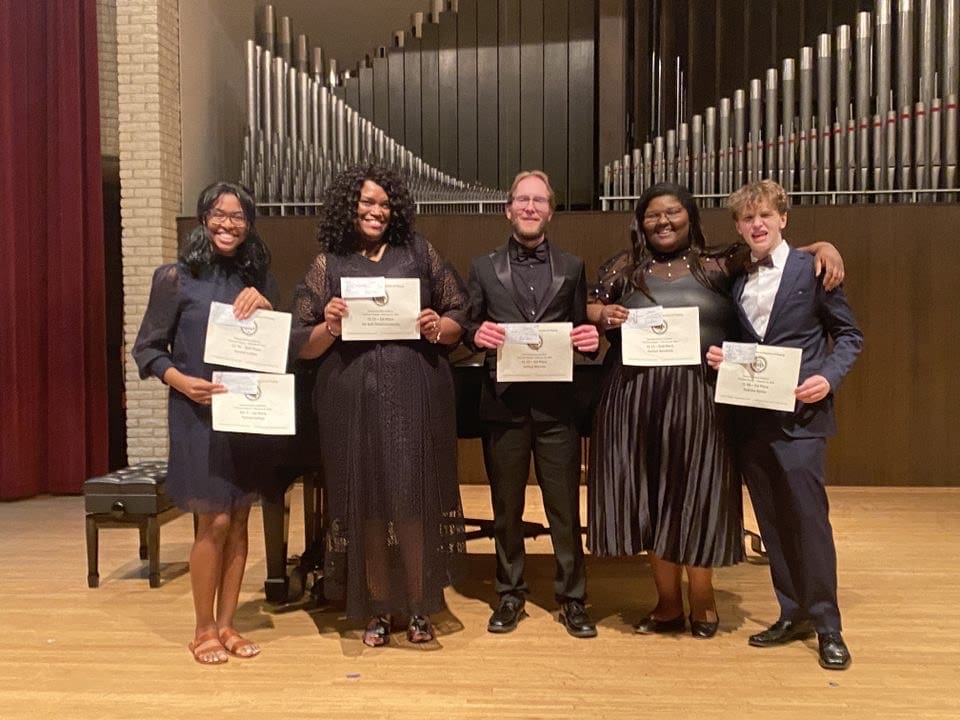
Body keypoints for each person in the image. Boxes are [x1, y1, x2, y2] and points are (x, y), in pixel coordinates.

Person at [587, 182, 844, 639]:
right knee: (651, 497)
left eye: (673, 213)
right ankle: (667, 604)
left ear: (690, 217)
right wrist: (601, 315)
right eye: (652, 215)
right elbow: (590, 304)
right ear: (640, 222)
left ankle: (703, 601)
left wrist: (823, 246)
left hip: (703, 400)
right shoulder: (625, 267)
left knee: (699, 498)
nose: (663, 222)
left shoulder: (719, 261)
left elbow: (775, 254)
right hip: (634, 399)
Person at [290, 164, 467, 647]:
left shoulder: (418, 252)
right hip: (351, 405)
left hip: (414, 398)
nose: (377, 211)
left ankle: (418, 605)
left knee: (411, 503)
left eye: (385, 204)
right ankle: (375, 608)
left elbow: (459, 315)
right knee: (365, 507)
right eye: (368, 202)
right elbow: (299, 343)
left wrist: (436, 324)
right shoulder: (329, 263)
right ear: (350, 206)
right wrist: (329, 325)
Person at [706, 179, 862, 669]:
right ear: (738, 226)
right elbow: (744, 346)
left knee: (809, 523)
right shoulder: (736, 280)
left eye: (765, 216)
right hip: (750, 424)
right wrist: (721, 357)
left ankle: (828, 625)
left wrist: (827, 378)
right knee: (772, 523)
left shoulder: (813, 269)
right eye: (748, 218)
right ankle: (791, 611)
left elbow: (850, 336)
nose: (757, 224)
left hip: (800, 420)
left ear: (783, 219)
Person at [133, 181, 276, 664]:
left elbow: (276, 344)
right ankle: (202, 630)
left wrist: (269, 309)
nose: (228, 224)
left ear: (249, 224)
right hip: (197, 415)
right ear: (202, 218)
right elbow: (147, 349)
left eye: (237, 216)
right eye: (218, 214)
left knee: (239, 520)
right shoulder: (175, 277)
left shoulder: (255, 280)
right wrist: (180, 380)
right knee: (212, 520)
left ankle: (230, 624)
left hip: (246, 413)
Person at [463, 170, 600, 638]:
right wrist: (473, 333)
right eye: (522, 199)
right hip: (502, 405)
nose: (529, 207)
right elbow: (467, 323)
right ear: (508, 208)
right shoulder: (482, 267)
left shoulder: (573, 266)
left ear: (551, 210)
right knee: (506, 507)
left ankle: (573, 598)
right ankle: (509, 594)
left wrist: (589, 338)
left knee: (564, 508)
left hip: (557, 406)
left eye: (539, 200)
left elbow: (582, 328)